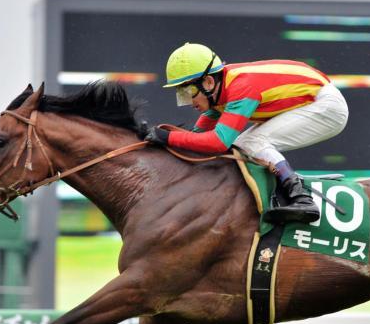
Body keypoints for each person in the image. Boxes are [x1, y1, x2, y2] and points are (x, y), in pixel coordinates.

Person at [144, 43, 349, 224]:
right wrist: (162, 139)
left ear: (208, 82)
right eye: (181, 94)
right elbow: (196, 135)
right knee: (244, 145)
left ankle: (301, 198)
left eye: (188, 92)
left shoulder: (241, 87)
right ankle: (285, 189)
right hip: (312, 99)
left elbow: (217, 143)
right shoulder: (219, 89)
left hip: (326, 107)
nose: (188, 102)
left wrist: (166, 137)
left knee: (251, 142)